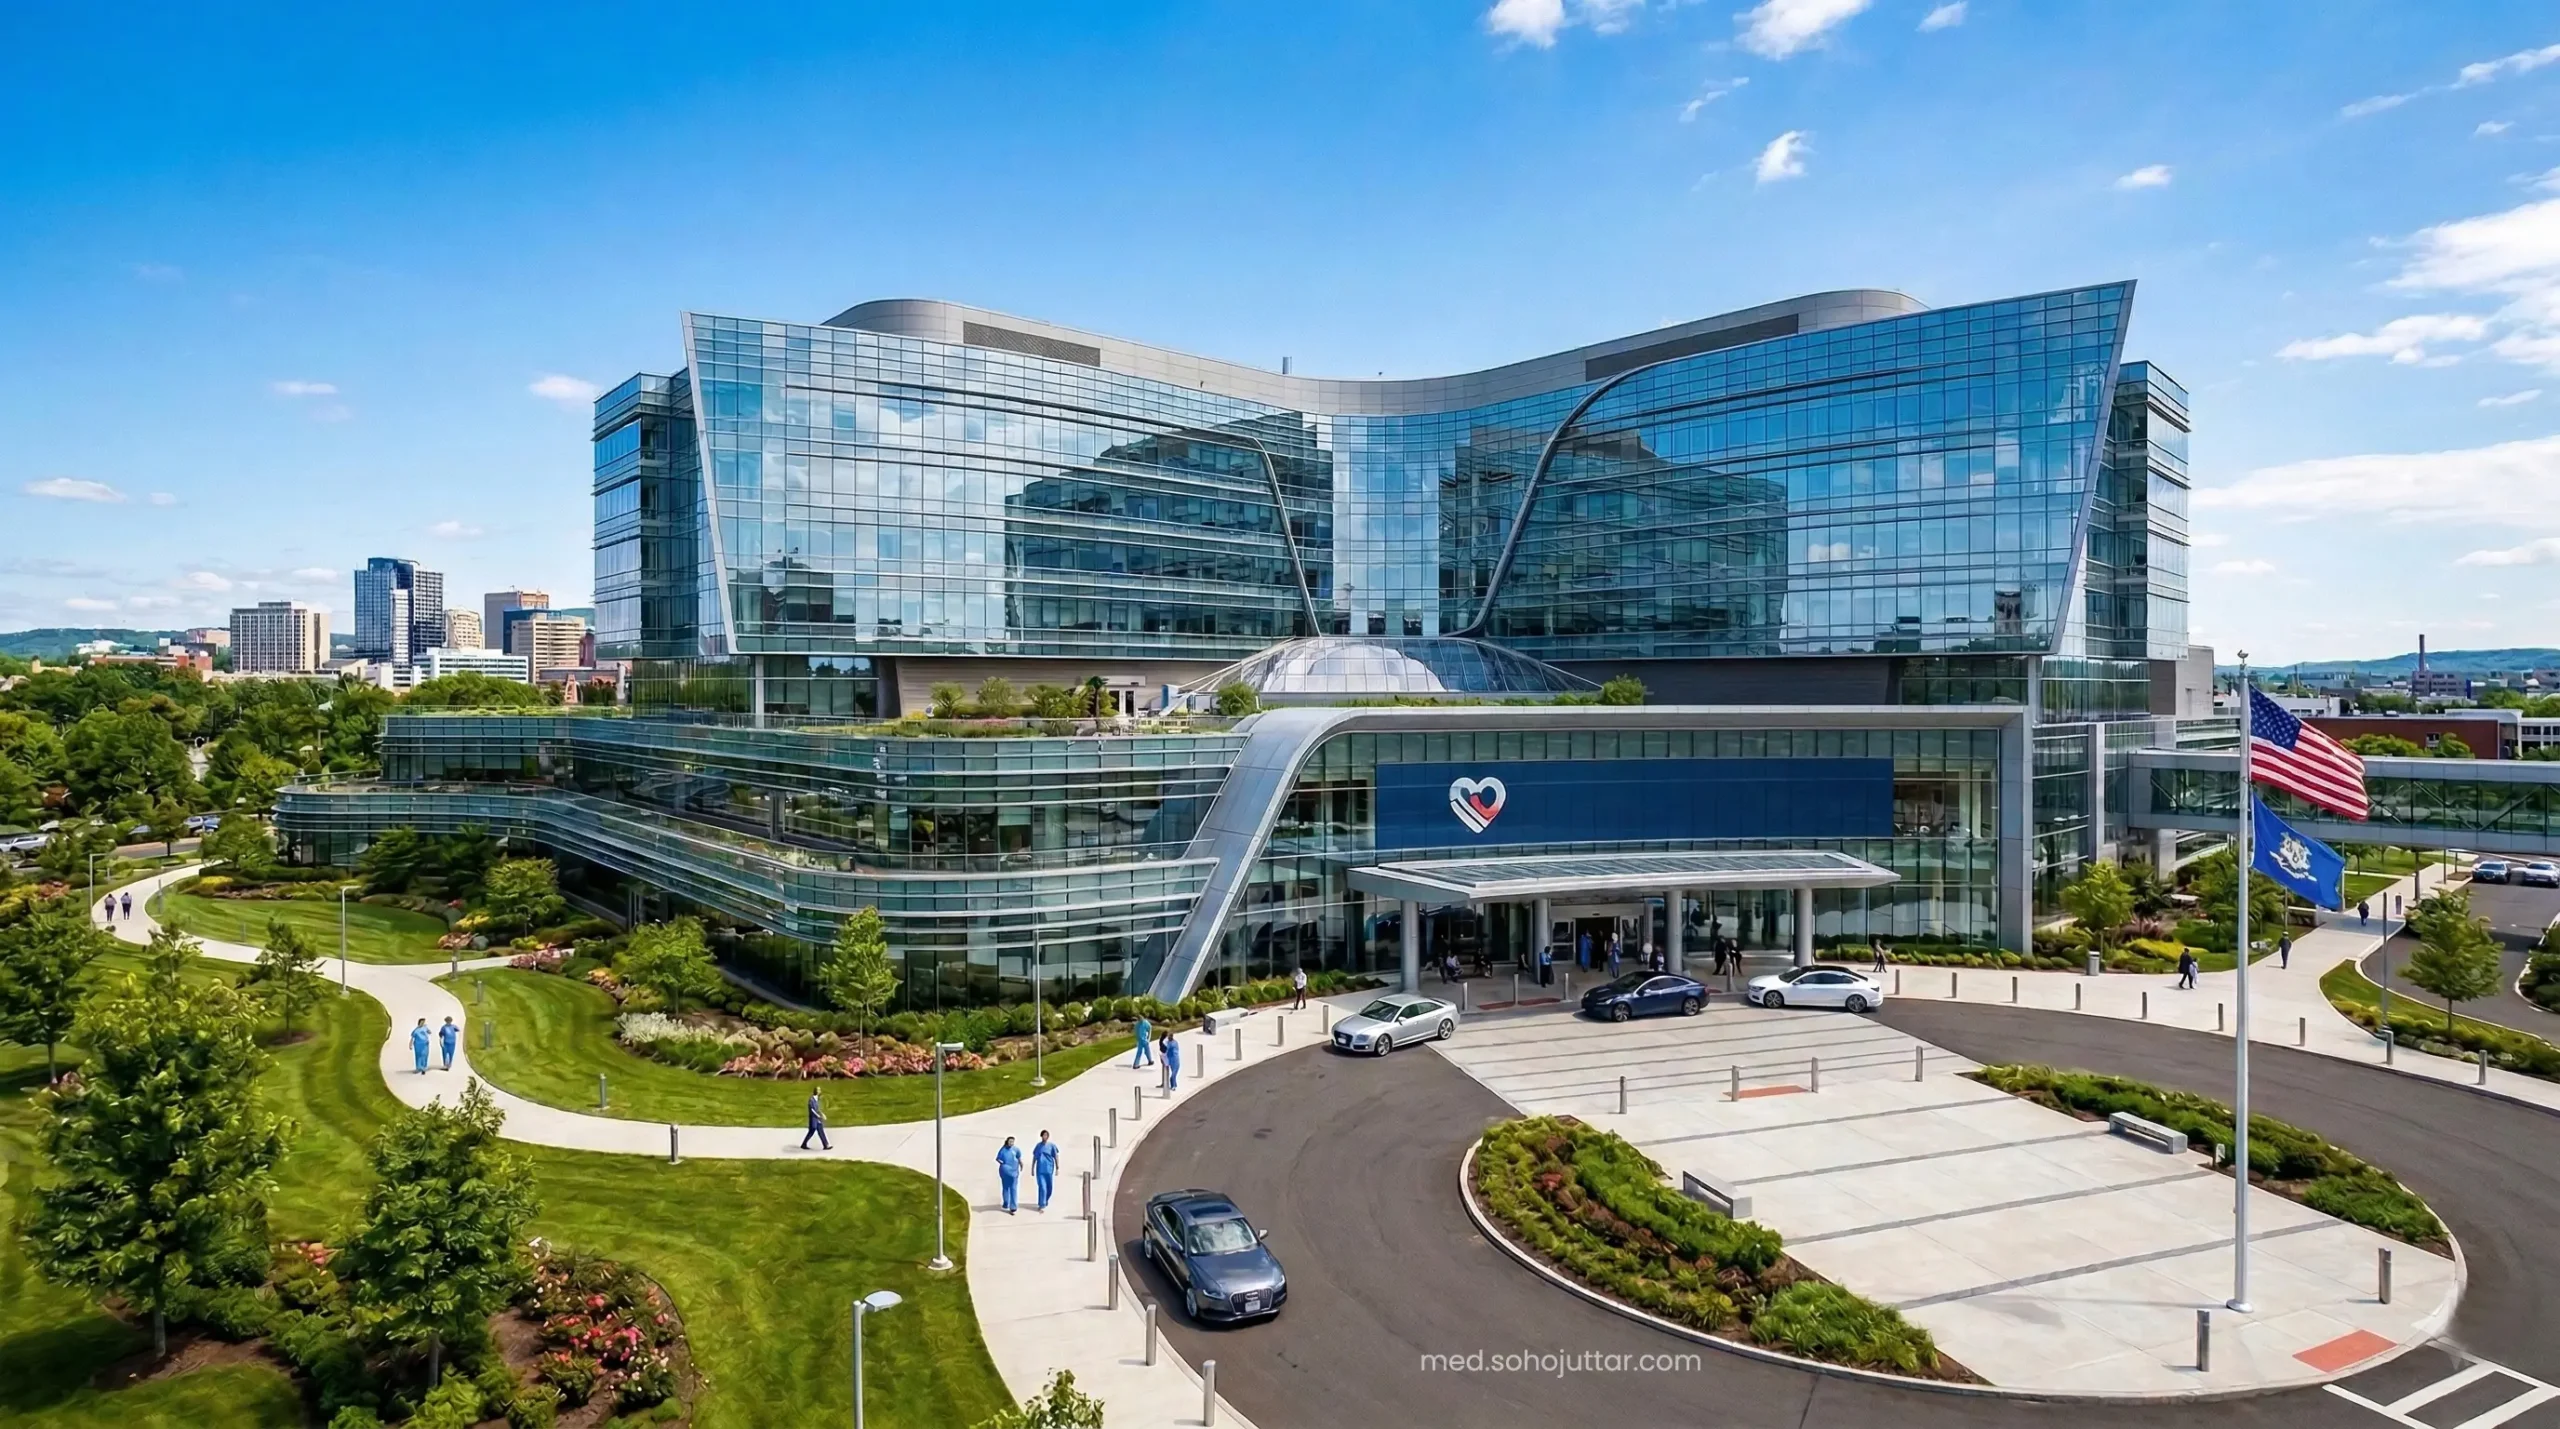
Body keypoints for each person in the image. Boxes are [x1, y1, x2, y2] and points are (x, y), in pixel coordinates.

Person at [1032, 1130, 1059, 1211]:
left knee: (1049, 1188)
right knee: (1042, 1187)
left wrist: (1057, 1167)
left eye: (1046, 1135)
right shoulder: (1038, 1146)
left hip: (1049, 1169)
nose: (1045, 1137)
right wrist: (1032, 1168)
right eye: (1044, 1135)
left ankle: (1045, 1199)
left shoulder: (1052, 1146)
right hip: (1040, 1170)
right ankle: (1041, 1204)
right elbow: (1035, 1157)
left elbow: (1056, 1156)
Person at [996, 1136, 1022, 1215]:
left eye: (1013, 1142)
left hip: (1014, 1171)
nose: (1011, 1143)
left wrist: (1021, 1165)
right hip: (1005, 1171)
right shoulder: (1003, 1150)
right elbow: (997, 1158)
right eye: (1010, 1141)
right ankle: (1006, 1202)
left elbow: (1019, 1158)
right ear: (1007, 1142)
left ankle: (1013, 1207)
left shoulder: (1016, 1149)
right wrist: (1003, 1163)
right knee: (1005, 1187)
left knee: (1013, 1188)